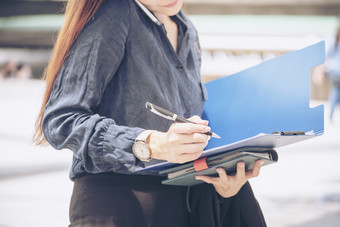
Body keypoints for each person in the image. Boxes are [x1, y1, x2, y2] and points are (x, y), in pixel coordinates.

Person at [34, 0, 266, 226]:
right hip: (116, 207)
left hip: (181, 208)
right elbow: (61, 120)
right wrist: (151, 144)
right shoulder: (114, 14)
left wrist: (225, 182)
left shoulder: (186, 28)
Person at [325, 23, 340, 121]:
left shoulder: (334, 40)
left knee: (335, 91)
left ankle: (330, 116)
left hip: (334, 72)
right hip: (337, 72)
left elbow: (327, 56)